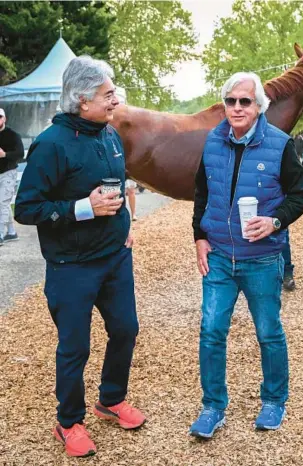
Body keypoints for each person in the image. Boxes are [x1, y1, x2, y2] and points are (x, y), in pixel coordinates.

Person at [15, 56, 145, 458]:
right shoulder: (50, 145)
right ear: (82, 99)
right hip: (72, 267)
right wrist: (81, 208)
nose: (115, 101)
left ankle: (110, 399)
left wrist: (126, 228)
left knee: (126, 330)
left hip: (114, 258)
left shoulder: (109, 134)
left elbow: (120, 190)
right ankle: (68, 422)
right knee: (75, 348)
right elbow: (26, 209)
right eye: (108, 95)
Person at [191, 72, 303, 438]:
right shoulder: (213, 141)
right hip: (219, 258)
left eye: (245, 101)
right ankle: (213, 407)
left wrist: (275, 221)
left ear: (259, 106)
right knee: (211, 331)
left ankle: (274, 400)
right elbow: (201, 193)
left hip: (261, 260)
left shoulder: (279, 144)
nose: (238, 107)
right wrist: (198, 236)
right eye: (231, 101)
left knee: (268, 332)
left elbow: (301, 196)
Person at [0, 108, 24, 246]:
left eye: (0, 117)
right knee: (3, 203)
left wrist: (5, 155)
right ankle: (11, 232)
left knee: (2, 203)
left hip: (8, 173)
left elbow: (20, 154)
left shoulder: (13, 135)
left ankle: (1, 234)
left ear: (4, 119)